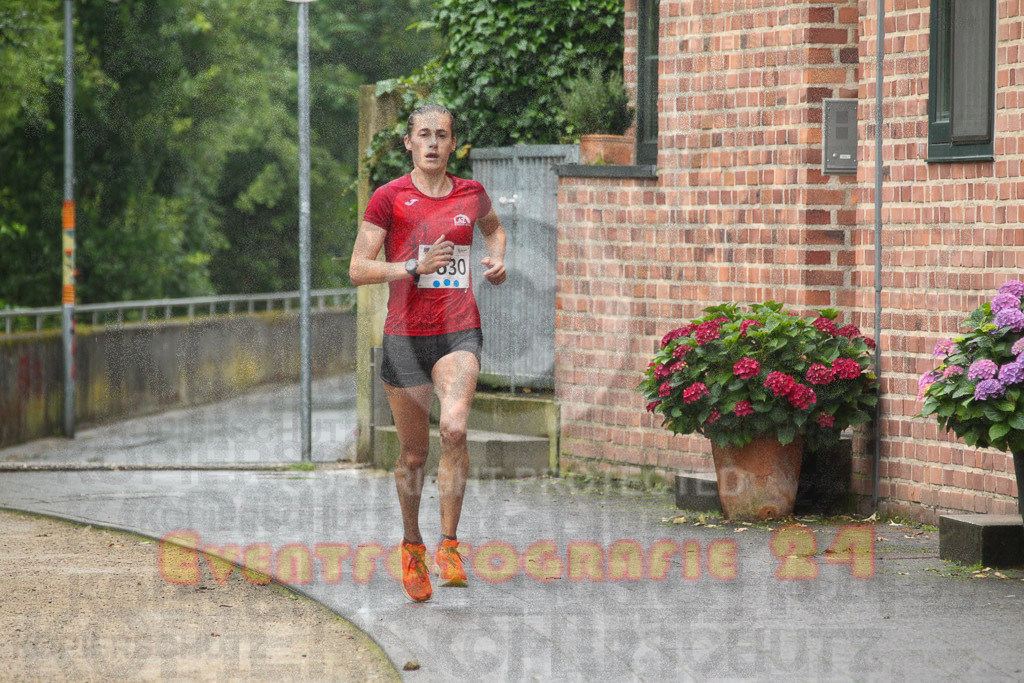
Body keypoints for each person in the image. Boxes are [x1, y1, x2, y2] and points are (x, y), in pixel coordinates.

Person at [349, 104, 507, 602]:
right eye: (424, 135)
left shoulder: (471, 193)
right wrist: (411, 267)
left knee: (455, 429)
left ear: (452, 143)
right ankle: (413, 547)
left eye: (442, 135)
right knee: (414, 454)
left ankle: (450, 546)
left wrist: (498, 258)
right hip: (405, 337)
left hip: (458, 330)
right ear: (409, 144)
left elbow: (495, 230)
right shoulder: (388, 198)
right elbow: (357, 268)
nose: (433, 143)